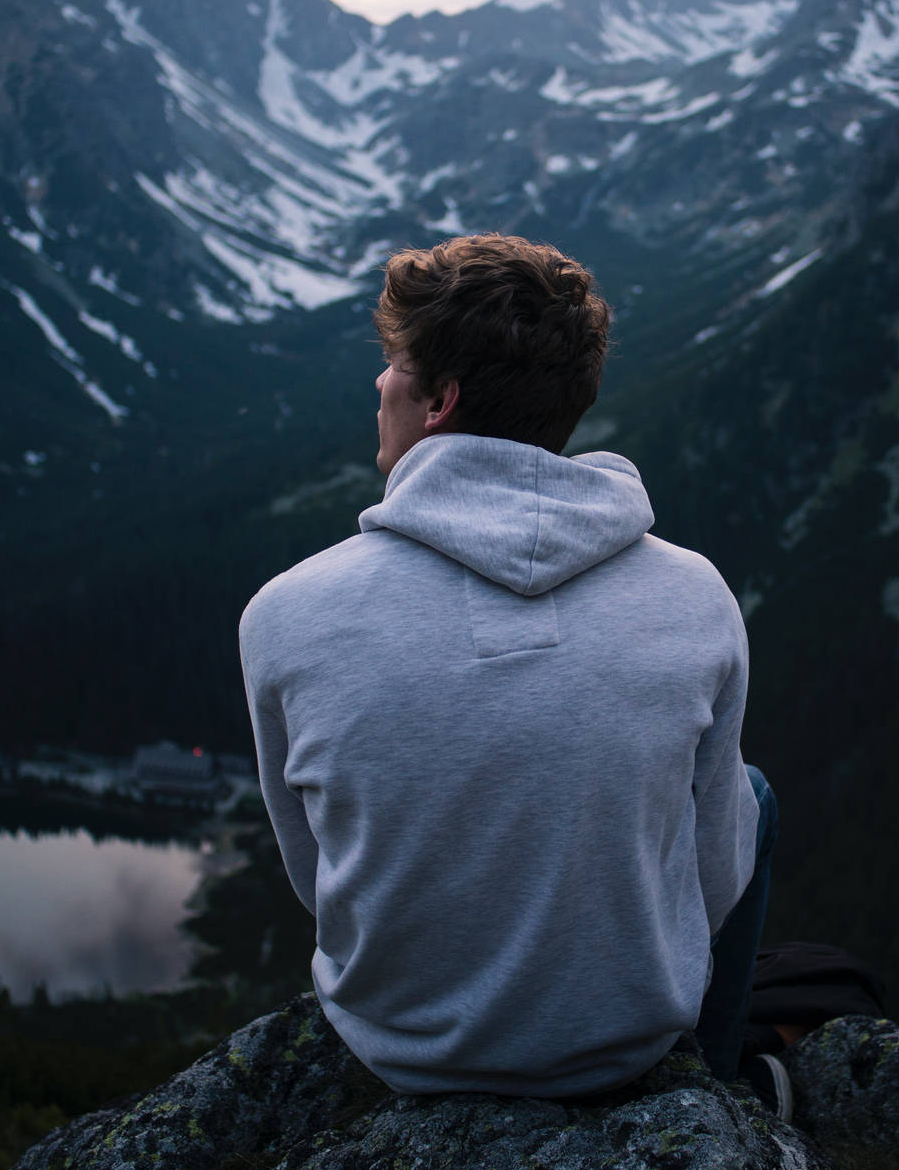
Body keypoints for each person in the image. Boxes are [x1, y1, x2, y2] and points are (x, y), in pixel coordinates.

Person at [239, 233, 787, 1111]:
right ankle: (716, 1092)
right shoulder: (695, 592)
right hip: (626, 1047)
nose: (379, 383)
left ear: (439, 402)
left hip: (403, 1051)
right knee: (749, 795)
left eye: (394, 364)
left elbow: (319, 876)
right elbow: (715, 881)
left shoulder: (284, 612)